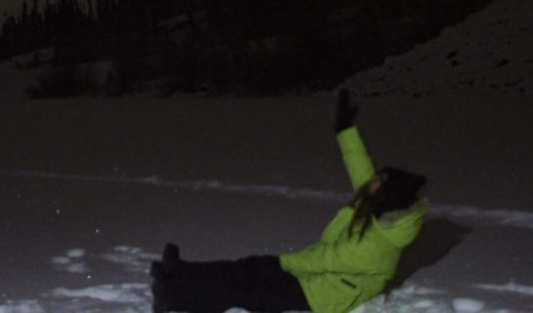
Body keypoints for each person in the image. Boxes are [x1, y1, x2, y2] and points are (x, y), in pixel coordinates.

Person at [149, 90, 426, 313]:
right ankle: (182, 274)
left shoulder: (375, 244)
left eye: (378, 183)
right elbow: (361, 170)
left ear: (386, 198)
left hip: (321, 296)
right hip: (322, 279)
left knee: (246, 287)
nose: (371, 182)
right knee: (248, 268)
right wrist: (345, 129)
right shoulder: (386, 212)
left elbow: (325, 259)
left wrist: (282, 263)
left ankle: (173, 298)